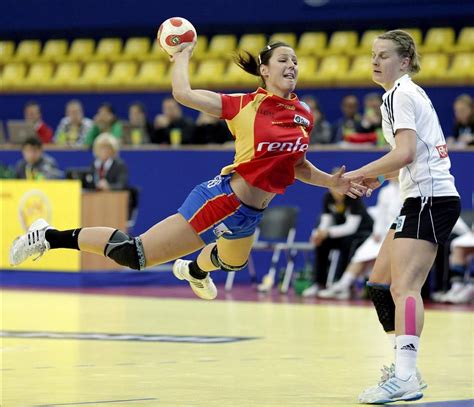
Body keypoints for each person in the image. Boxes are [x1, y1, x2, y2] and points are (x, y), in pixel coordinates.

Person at [9, 41, 366, 303]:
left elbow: (297, 165)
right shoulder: (243, 105)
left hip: (251, 214)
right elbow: (182, 93)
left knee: (231, 261)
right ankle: (48, 236)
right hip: (222, 199)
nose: (292, 66)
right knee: (135, 254)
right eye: (283, 60)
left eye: (296, 61)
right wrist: (181, 56)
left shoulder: (304, 112)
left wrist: (331, 181)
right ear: (265, 70)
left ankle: (193, 271)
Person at [345, 30, 461, 404]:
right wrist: (379, 177)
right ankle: (405, 367)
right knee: (380, 284)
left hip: (430, 199)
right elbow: (411, 154)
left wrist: (357, 174)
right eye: (373, 55)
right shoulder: (402, 94)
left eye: (384, 55)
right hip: (421, 198)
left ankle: (406, 375)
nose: (375, 61)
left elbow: (406, 153)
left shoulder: (400, 94)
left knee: (404, 288)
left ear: (405, 61)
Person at [318, 179, 401, 300]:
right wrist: (377, 231)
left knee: (375, 257)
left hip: (400, 233)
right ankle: (343, 285)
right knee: (361, 254)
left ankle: (350, 286)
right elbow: (381, 215)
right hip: (382, 234)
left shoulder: (408, 189)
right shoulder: (385, 191)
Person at [302, 175, 374, 297]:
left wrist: (327, 232)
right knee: (322, 243)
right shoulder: (328, 198)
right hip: (341, 232)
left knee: (348, 243)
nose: (335, 190)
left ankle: (341, 285)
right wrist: (319, 234)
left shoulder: (353, 197)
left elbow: (351, 227)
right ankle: (319, 283)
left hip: (362, 232)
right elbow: (326, 220)